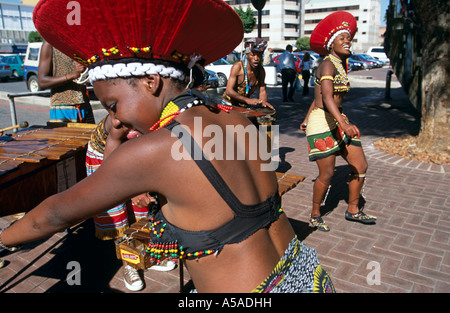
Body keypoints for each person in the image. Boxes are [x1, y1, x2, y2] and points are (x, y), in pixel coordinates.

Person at [0, 0, 334, 293]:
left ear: (151, 81)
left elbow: (55, 214)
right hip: (308, 275)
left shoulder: (156, 149)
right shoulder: (237, 120)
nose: (115, 118)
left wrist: (2, 240)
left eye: (113, 104)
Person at [302, 11, 376, 232]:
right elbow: (325, 97)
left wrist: (305, 117)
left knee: (360, 165)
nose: (348, 43)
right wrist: (342, 124)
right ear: (331, 45)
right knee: (328, 174)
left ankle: (353, 209)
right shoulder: (327, 64)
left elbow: (317, 97)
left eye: (349, 39)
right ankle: (315, 214)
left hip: (336, 118)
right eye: (342, 39)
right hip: (323, 122)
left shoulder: (340, 64)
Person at [86, 114, 175, 291]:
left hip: (134, 153)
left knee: (141, 212)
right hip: (105, 158)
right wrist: (134, 190)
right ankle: (130, 265)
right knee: (118, 214)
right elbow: (112, 166)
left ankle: (147, 253)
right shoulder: (120, 115)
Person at [38, 41, 95, 124]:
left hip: (85, 106)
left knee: (90, 137)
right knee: (66, 137)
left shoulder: (81, 42)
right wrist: (72, 75)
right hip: (62, 108)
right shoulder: (50, 44)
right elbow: (42, 81)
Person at [222, 37, 273, 109]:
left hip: (244, 104)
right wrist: (247, 100)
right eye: (253, 55)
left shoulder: (261, 71)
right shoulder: (238, 67)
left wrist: (264, 102)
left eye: (259, 55)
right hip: (229, 104)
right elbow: (229, 91)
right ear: (246, 55)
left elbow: (262, 89)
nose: (256, 58)